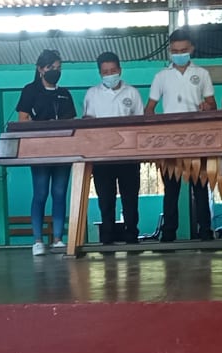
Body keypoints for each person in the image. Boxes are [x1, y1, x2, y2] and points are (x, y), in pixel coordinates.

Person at [145, 28, 218, 242]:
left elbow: (212, 104)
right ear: (170, 50)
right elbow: (149, 109)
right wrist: (155, 131)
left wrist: (207, 107)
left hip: (197, 138)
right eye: (175, 51)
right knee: (171, 190)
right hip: (169, 141)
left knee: (200, 188)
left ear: (191, 49)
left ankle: (205, 232)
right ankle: (169, 234)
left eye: (183, 50)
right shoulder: (161, 76)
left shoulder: (202, 74)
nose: (179, 54)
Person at [15, 49, 76, 256]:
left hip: (63, 151)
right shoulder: (30, 91)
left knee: (59, 193)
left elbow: (71, 122)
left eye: (58, 68)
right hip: (39, 150)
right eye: (51, 67)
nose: (55, 71)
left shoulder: (65, 94)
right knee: (40, 193)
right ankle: (38, 240)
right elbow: (23, 119)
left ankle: (58, 239)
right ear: (41, 69)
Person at [83, 52, 143, 245]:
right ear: (100, 73)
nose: (110, 74)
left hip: (128, 156)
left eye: (113, 70)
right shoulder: (92, 94)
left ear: (120, 70)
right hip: (102, 157)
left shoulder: (132, 93)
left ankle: (132, 236)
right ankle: (107, 238)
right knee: (106, 200)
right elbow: (87, 125)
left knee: (130, 199)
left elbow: (141, 123)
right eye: (105, 72)